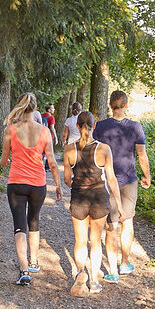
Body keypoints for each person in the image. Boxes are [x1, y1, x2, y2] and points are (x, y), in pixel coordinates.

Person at [0, 92, 62, 285]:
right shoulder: (44, 131)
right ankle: (34, 261)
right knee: (33, 221)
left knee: (20, 227)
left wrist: (9, 159)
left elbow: (3, 161)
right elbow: (51, 162)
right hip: (38, 184)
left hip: (16, 184)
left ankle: (24, 270)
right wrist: (58, 185)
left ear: (21, 107)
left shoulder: (11, 130)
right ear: (35, 109)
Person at [92, 90, 151, 283]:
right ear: (126, 105)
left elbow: (93, 151)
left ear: (110, 105)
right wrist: (147, 176)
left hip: (107, 181)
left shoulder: (100, 126)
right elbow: (142, 155)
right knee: (128, 223)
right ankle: (124, 263)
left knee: (111, 225)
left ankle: (113, 272)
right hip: (129, 180)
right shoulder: (135, 127)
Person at [63, 111, 122, 296]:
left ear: (77, 126)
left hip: (79, 198)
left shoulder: (69, 149)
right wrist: (119, 205)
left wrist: (78, 185)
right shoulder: (104, 149)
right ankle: (94, 281)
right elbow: (111, 179)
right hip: (99, 199)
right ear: (94, 126)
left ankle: (80, 274)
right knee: (95, 242)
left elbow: (67, 180)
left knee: (80, 241)